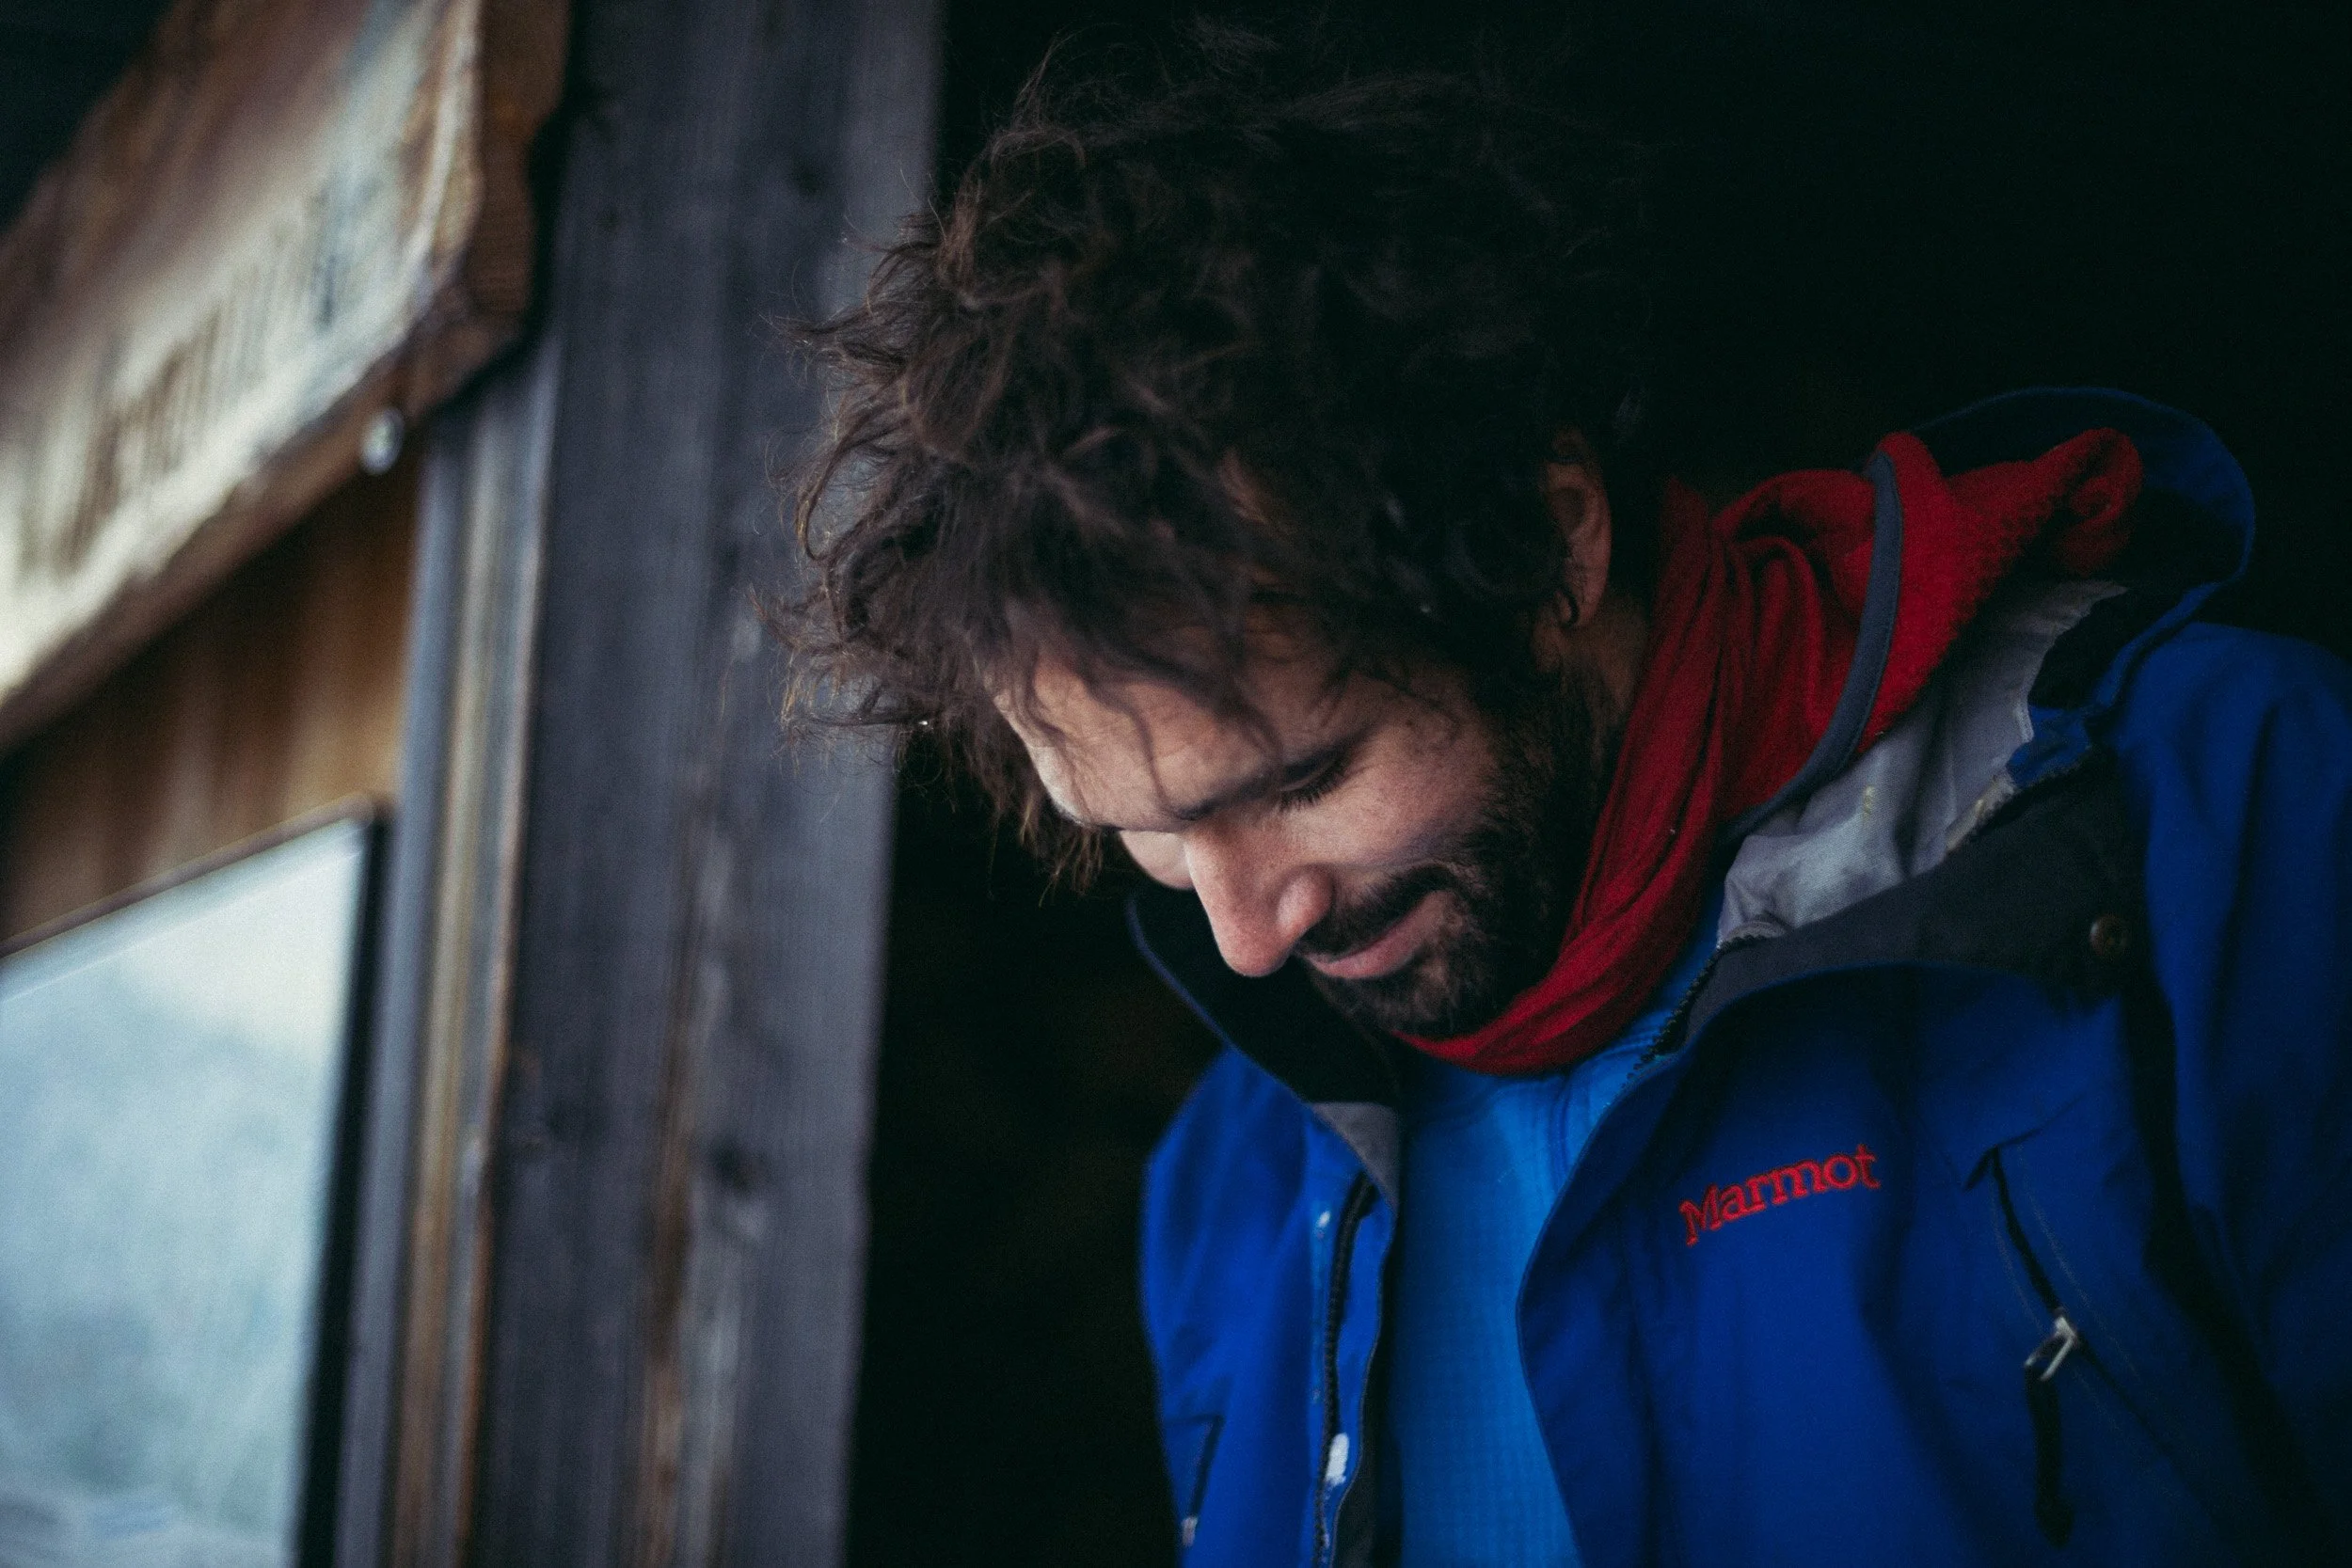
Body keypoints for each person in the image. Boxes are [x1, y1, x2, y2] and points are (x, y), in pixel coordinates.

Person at [785, 23, 2350, 1566]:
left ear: (1550, 548)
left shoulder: (2216, 822)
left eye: (1309, 777)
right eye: (1147, 829)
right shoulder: (1232, 1185)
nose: (1249, 934)